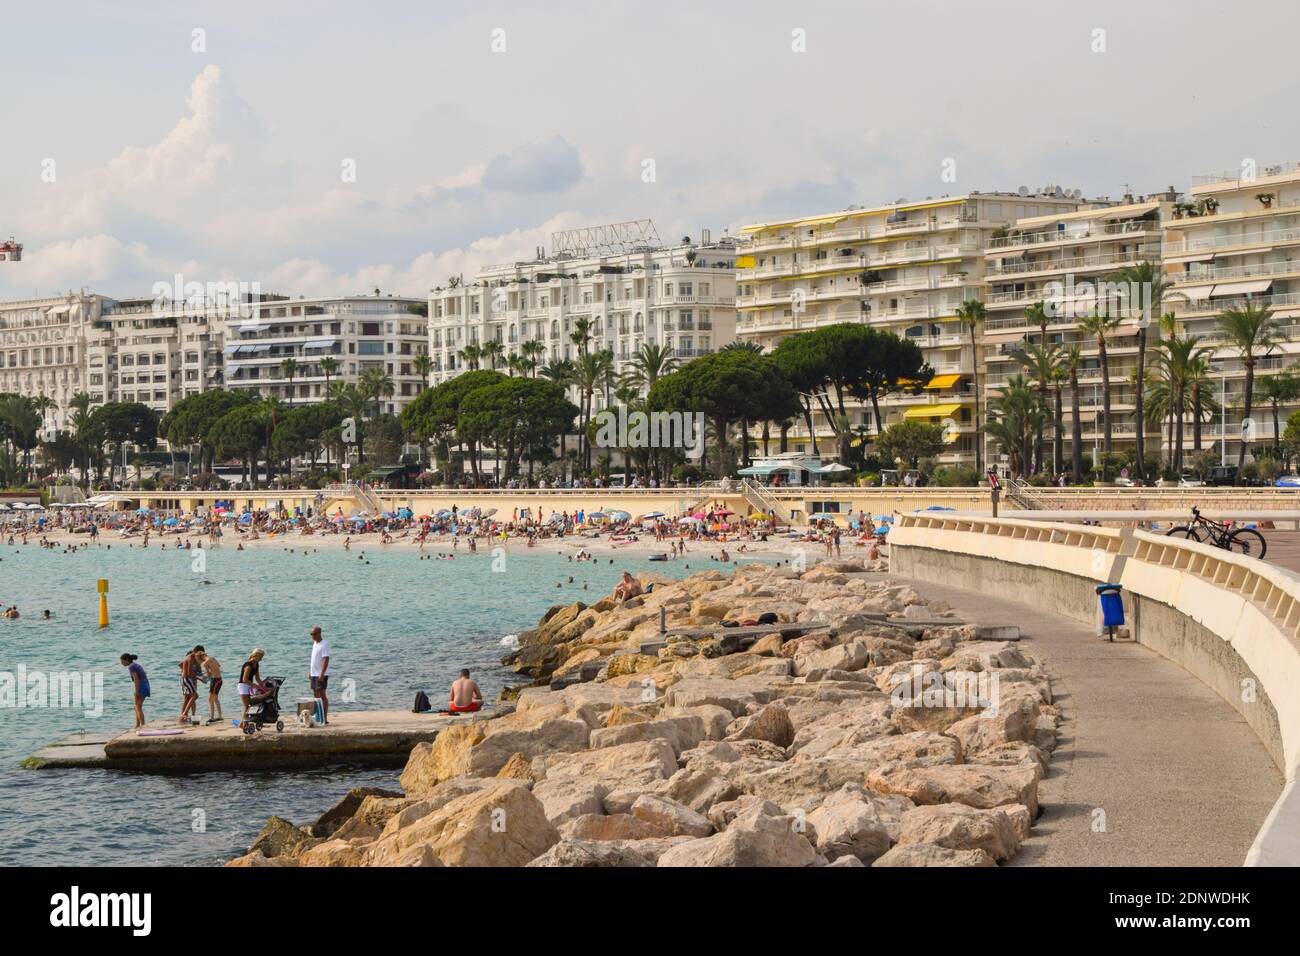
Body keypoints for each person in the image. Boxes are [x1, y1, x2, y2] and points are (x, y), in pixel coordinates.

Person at [121, 653, 149, 729]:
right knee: (136, 706)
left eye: (122, 661)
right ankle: (137, 725)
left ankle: (143, 725)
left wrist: (137, 691)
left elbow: (136, 679)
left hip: (142, 686)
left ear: (127, 660)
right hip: (144, 685)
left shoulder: (131, 666)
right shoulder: (134, 665)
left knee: (138, 707)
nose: (122, 663)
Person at [237, 648, 266, 722]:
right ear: (256, 656)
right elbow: (244, 680)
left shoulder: (256, 664)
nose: (261, 659)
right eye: (260, 657)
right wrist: (256, 686)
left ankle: (244, 722)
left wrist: (264, 686)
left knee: (250, 705)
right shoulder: (248, 665)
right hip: (243, 686)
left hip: (249, 686)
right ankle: (243, 723)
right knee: (246, 706)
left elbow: (257, 678)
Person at [309, 626, 330, 725]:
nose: (312, 636)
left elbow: (326, 659)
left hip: (321, 674)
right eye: (311, 634)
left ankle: (324, 718)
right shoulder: (314, 643)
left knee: (322, 695)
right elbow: (314, 659)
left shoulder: (324, 643)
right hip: (313, 673)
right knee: (315, 695)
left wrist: (322, 673)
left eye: (313, 634)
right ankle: (318, 716)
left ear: (319, 633)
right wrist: (310, 671)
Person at [179, 646, 202, 725]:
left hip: (186, 679)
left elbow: (199, 670)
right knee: (194, 696)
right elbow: (189, 673)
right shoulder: (190, 658)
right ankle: (184, 714)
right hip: (187, 679)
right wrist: (200, 678)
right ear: (196, 652)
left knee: (187, 698)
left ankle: (183, 716)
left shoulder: (194, 658)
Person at [200, 650, 223, 724]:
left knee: (210, 700)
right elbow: (218, 666)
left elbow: (209, 674)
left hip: (215, 681)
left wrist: (202, 676)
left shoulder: (205, 663)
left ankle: (212, 718)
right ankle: (220, 716)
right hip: (220, 679)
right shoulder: (212, 658)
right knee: (215, 699)